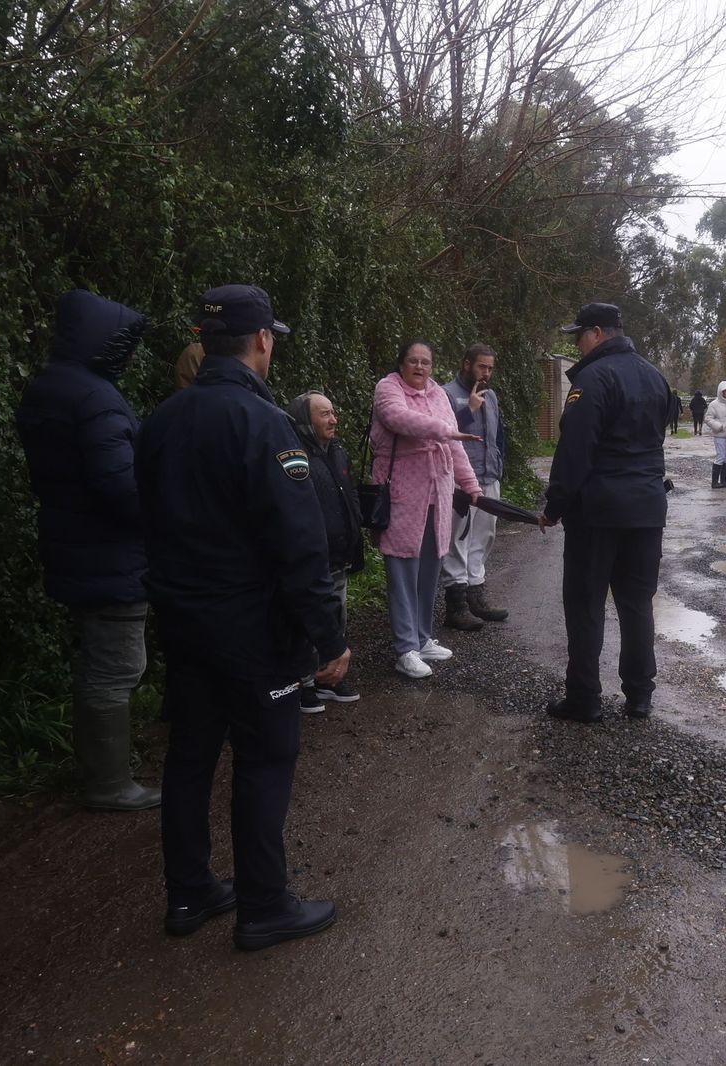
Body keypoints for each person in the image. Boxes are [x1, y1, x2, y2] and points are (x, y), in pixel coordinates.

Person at [136, 284, 350, 951]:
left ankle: (190, 890)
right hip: (251, 630)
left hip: (183, 621)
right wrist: (329, 637)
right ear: (263, 340)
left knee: (191, 755)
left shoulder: (160, 420)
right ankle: (263, 905)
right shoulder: (263, 424)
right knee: (265, 757)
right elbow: (299, 541)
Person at [16, 288, 161, 812]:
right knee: (116, 666)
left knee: (102, 662)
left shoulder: (50, 386)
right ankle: (109, 784)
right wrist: (165, 518)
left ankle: (104, 770)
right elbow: (118, 485)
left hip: (74, 540)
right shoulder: (93, 396)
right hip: (107, 552)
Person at [540, 302, 670, 723]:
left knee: (585, 604)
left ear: (596, 332)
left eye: (578, 336)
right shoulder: (654, 375)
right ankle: (639, 696)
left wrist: (555, 506)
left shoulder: (593, 379)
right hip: (647, 509)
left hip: (598, 513)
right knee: (636, 605)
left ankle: (584, 698)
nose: (576, 345)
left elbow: (575, 452)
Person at [371, 340, 482, 679]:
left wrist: (471, 484)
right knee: (404, 570)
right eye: (413, 361)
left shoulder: (438, 394)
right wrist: (445, 431)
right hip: (404, 492)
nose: (420, 367)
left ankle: (421, 638)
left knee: (430, 568)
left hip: (438, 491)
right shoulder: (388, 389)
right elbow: (399, 419)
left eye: (426, 362)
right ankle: (405, 648)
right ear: (401, 363)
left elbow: (455, 446)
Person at [286, 390, 364, 711]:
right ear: (305, 420)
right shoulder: (295, 456)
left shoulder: (337, 452)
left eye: (333, 412)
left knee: (336, 616)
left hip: (340, 555)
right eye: (324, 414)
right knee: (308, 620)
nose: (333, 419)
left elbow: (350, 498)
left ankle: (328, 676)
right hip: (314, 559)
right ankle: (303, 681)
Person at [442, 343, 509, 632]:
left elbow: (497, 435)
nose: (486, 373)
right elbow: (441, 433)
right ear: (466, 364)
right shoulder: (445, 394)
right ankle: (456, 606)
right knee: (457, 539)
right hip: (460, 480)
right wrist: (468, 410)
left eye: (490, 368)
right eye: (482, 366)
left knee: (484, 536)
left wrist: (498, 465)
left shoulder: (491, 395)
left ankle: (476, 596)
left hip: (489, 477)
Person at [703, 381, 726, 488]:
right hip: (720, 435)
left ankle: (723, 481)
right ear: (720, 392)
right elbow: (708, 418)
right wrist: (718, 426)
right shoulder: (714, 404)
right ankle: (714, 482)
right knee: (720, 457)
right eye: (725, 391)